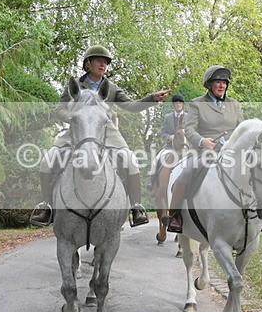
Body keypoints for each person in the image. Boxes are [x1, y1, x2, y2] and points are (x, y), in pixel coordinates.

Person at [30, 45, 171, 227]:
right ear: (88, 64)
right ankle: (47, 206)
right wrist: (72, 118)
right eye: (99, 60)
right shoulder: (75, 86)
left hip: (106, 130)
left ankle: (136, 207)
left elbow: (131, 106)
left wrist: (152, 98)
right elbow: (59, 109)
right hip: (78, 128)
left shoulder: (111, 88)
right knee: (48, 160)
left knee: (130, 160)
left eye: (105, 62)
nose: (103, 64)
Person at [166, 65, 243, 233]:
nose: (222, 85)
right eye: (218, 82)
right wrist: (202, 141)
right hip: (205, 151)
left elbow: (241, 129)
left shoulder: (234, 105)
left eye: (224, 82)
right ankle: (174, 216)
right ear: (209, 84)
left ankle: (257, 216)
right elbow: (190, 129)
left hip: (231, 152)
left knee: (255, 170)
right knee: (187, 172)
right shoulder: (197, 104)